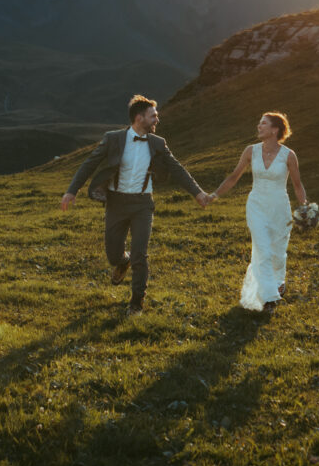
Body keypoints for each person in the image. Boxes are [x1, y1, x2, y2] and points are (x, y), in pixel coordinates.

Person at [60, 94, 211, 316]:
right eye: (153, 116)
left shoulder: (158, 143)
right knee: (113, 254)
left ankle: (136, 303)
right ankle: (122, 262)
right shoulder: (113, 139)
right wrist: (72, 191)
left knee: (141, 254)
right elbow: (89, 163)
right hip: (116, 202)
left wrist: (197, 193)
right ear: (139, 118)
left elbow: (177, 168)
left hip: (142, 204)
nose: (157, 120)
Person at [209, 112, 307, 313]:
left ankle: (278, 282)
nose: (258, 126)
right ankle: (269, 299)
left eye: (263, 123)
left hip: (280, 208)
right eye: (259, 123)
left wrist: (305, 207)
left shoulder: (289, 155)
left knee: (278, 253)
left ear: (275, 130)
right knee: (262, 249)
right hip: (256, 206)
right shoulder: (250, 151)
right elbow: (234, 177)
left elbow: (297, 185)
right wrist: (214, 195)